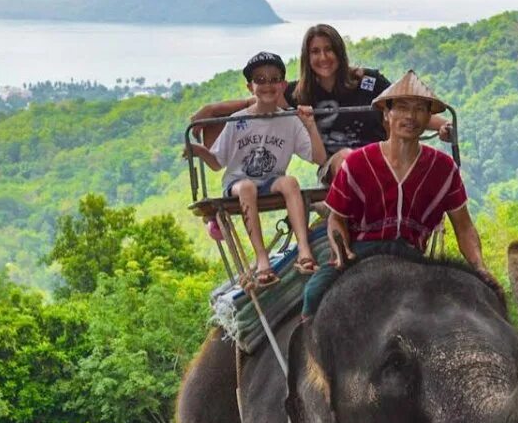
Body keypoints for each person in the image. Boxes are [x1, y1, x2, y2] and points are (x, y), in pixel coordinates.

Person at [301, 70, 490, 316]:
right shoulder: (358, 163)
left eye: (420, 109)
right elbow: (336, 218)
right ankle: (311, 354)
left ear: (428, 117)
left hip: (412, 255)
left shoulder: (443, 168)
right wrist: (341, 253)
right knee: (313, 293)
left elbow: (463, 226)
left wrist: (480, 268)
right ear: (386, 114)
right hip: (361, 251)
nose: (410, 116)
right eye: (401, 107)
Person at [188, 24, 453, 185]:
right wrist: (211, 111)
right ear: (307, 57)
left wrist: (442, 126)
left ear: (339, 51)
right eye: (315, 51)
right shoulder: (298, 92)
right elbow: (256, 101)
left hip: (384, 159)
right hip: (335, 167)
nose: (323, 57)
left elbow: (405, 110)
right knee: (348, 158)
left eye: (329, 49)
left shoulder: (369, 82)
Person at [187, 51, 326, 287]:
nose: (267, 85)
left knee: (290, 182)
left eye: (273, 79)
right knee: (247, 187)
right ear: (250, 87)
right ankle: (262, 258)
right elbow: (216, 162)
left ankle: (304, 250)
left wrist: (310, 125)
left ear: (283, 85)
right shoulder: (237, 120)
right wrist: (199, 151)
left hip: (272, 179)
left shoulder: (290, 120)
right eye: (260, 80)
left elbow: (319, 157)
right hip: (239, 183)